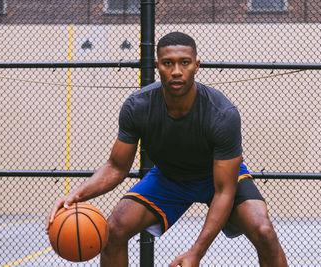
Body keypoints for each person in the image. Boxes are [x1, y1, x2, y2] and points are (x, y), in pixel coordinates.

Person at [46, 31, 287, 267]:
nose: (177, 71)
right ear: (157, 66)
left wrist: (196, 253)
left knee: (264, 232)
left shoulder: (221, 113)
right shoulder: (138, 106)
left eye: (185, 63)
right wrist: (75, 195)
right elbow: (116, 167)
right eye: (168, 63)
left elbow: (224, 191)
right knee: (113, 231)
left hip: (217, 178)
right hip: (169, 178)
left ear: (197, 65)